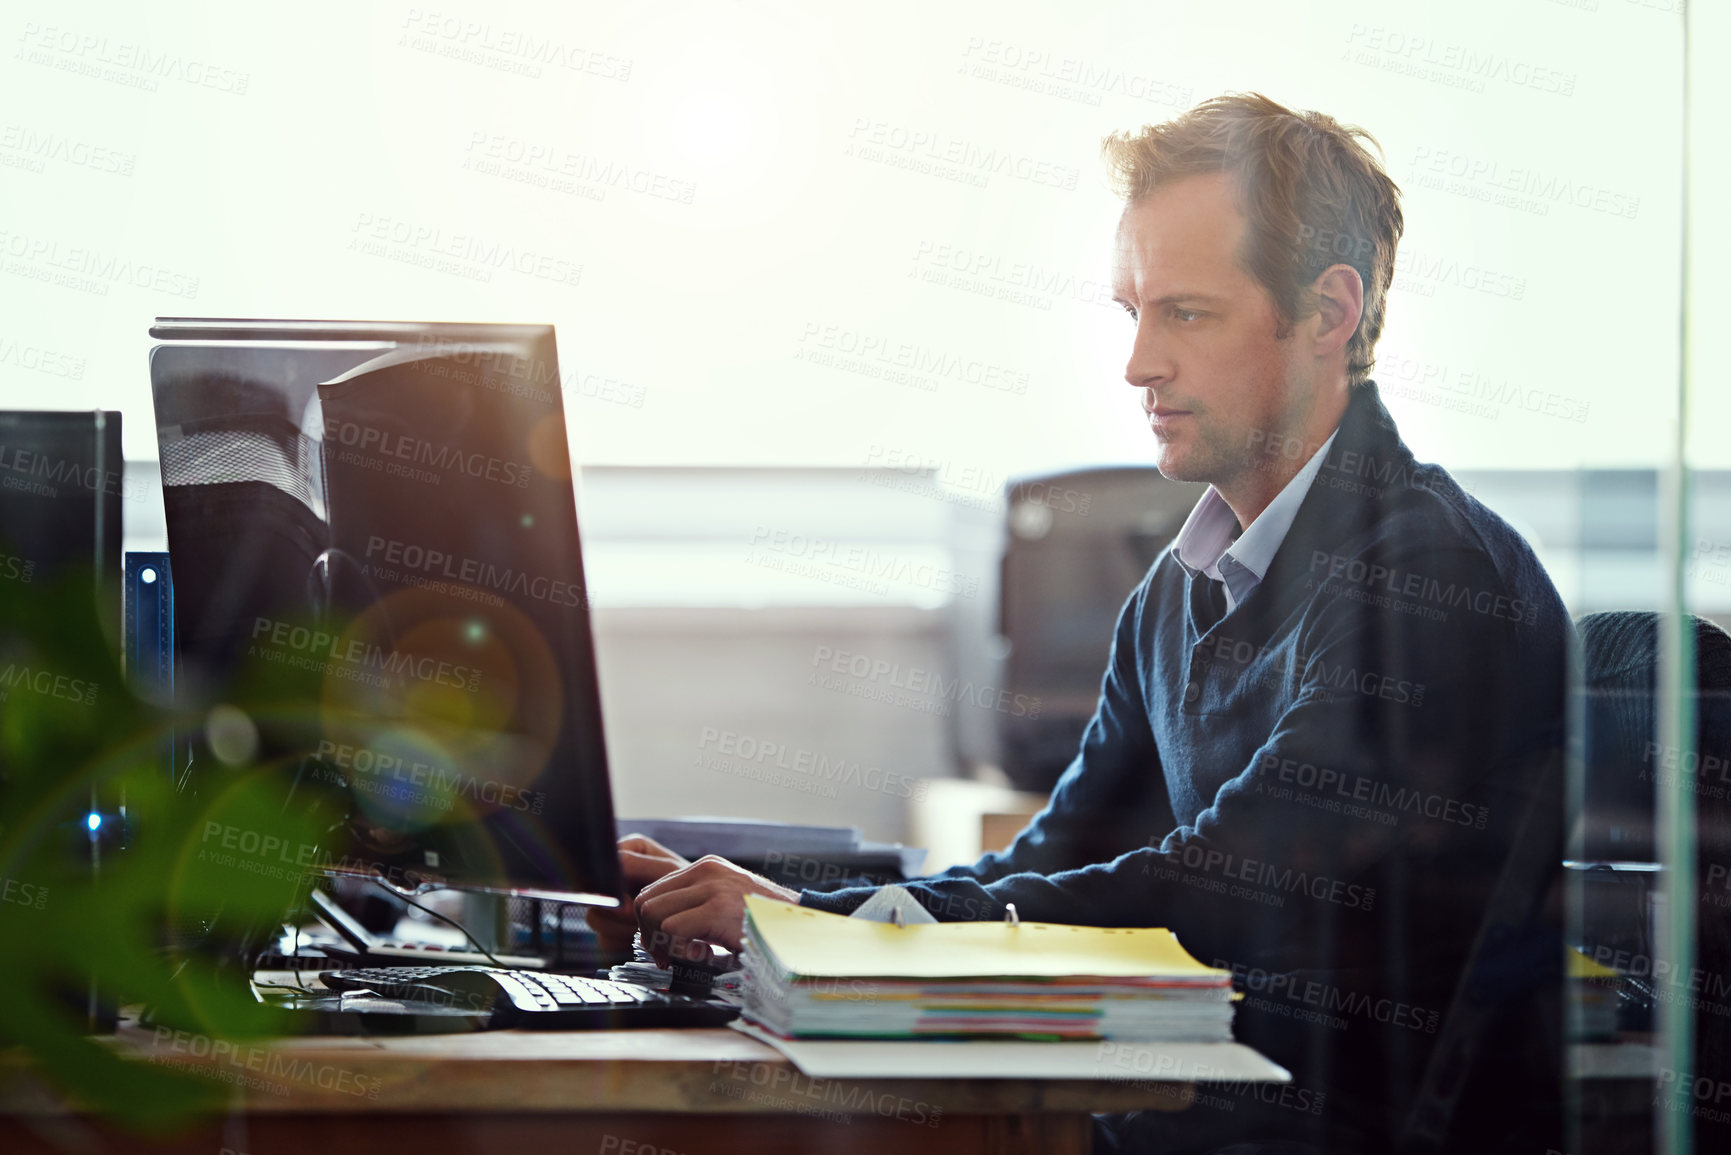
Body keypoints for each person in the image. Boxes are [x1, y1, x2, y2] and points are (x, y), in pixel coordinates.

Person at [591, 93, 1571, 1153]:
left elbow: (1235, 884)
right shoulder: (1178, 590)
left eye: (1185, 313)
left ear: (1330, 314)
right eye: (1131, 312)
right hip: (1168, 1117)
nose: (1139, 364)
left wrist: (821, 934)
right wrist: (785, 905)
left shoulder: (1426, 580)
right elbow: (1061, 855)